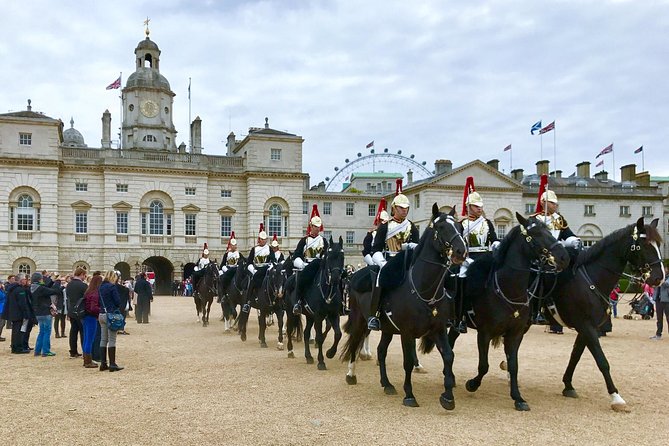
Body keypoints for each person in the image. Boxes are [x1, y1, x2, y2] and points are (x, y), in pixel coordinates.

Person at [368, 179, 420, 330]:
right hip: (389, 260)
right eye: (401, 208)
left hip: (407, 260)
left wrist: (410, 246)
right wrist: (383, 263)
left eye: (406, 208)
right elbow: (376, 249)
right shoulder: (385, 227)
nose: (404, 210)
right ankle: (374, 315)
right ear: (394, 208)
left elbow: (417, 246)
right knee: (380, 278)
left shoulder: (411, 227)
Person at [532, 175, 582, 326]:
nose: (555, 206)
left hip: (556, 255)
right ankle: (536, 310)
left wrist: (576, 241)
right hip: (539, 255)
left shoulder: (559, 219)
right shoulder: (535, 219)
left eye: (556, 204)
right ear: (544, 203)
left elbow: (568, 235)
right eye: (553, 203)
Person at [455, 177, 500, 333]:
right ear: (468, 207)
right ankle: (460, 316)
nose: (479, 209)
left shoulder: (487, 222)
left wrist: (496, 244)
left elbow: (493, 239)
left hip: (486, 257)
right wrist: (464, 260)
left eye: (481, 206)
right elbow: (458, 246)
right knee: (461, 279)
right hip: (468, 259)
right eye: (476, 206)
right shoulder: (462, 224)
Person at [292, 205, 329, 315]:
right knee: (301, 279)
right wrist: (302, 264)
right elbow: (296, 255)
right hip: (307, 266)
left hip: (320, 265)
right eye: (315, 226)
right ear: (310, 226)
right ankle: (298, 302)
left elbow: (326, 254)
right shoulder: (304, 241)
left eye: (319, 226)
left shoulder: (324, 241)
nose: (317, 228)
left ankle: (338, 303)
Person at [30, 272, 61, 357]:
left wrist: (51, 280)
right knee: (47, 332)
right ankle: (46, 351)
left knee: (41, 332)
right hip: (45, 311)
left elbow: (45, 288)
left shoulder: (33, 287)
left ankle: (37, 350)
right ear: (39, 279)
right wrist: (58, 282)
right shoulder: (41, 288)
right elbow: (54, 291)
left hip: (37, 312)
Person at [242, 224, 271, 313]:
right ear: (259, 239)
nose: (263, 241)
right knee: (252, 282)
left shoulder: (269, 248)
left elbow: (273, 260)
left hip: (267, 269)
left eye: (265, 239)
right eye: (262, 239)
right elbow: (249, 263)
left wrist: (271, 267)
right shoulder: (254, 249)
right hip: (257, 270)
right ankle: (247, 302)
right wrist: (253, 270)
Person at [99, 270, 124, 371]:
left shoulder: (100, 287)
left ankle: (103, 363)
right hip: (111, 314)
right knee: (112, 339)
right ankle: (112, 364)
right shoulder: (112, 287)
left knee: (103, 339)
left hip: (101, 314)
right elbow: (117, 301)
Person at [2, 274, 31, 353]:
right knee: (18, 331)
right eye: (24, 279)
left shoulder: (12, 288)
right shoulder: (20, 290)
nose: (26, 280)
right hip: (19, 313)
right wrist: (26, 314)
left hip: (13, 312)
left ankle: (14, 347)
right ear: (21, 280)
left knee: (15, 331)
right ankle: (18, 348)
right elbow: (22, 303)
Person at [65, 267, 87, 357]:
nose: (85, 277)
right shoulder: (83, 286)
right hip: (81, 310)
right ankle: (85, 351)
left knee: (73, 331)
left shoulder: (69, 284)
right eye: (84, 275)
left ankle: (73, 351)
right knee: (83, 332)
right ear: (81, 274)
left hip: (71, 310)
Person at [362, 198, 389, 267]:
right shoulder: (371, 234)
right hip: (373, 262)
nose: (383, 223)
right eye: (381, 221)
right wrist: (372, 264)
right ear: (378, 221)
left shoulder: (389, 232)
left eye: (385, 221)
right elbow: (366, 251)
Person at [82, 274, 102, 368]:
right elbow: (93, 308)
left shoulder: (88, 291)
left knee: (86, 338)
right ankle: (88, 361)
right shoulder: (95, 293)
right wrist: (101, 311)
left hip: (86, 316)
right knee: (90, 339)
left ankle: (86, 358)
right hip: (91, 317)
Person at [219, 232, 240, 301]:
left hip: (236, 269)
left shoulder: (239, 254)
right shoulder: (227, 254)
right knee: (223, 279)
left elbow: (243, 261)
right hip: (228, 269)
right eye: (232, 245)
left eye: (235, 245)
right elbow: (222, 264)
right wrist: (225, 270)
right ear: (230, 246)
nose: (234, 247)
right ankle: (223, 294)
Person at [650, 276, 669, 340]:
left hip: (667, 300)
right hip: (658, 300)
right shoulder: (660, 278)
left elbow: (666, 284)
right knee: (659, 319)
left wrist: (659, 281)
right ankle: (658, 334)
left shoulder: (664, 279)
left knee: (668, 318)